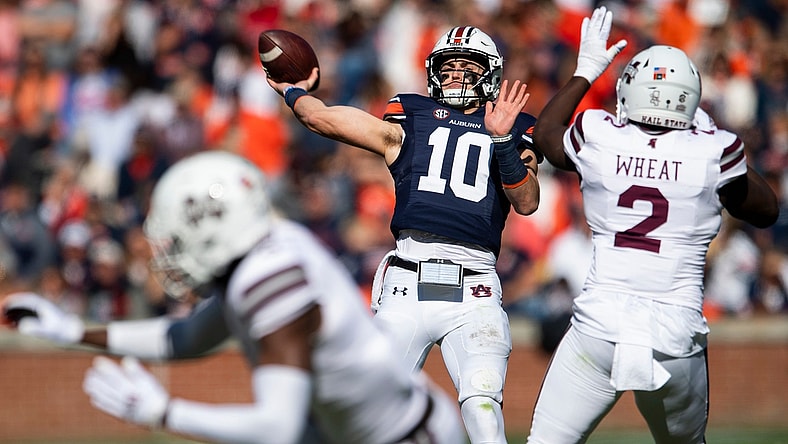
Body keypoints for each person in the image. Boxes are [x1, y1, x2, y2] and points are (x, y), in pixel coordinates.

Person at [2, 150, 466, 444]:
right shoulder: (264, 254)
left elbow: (275, 428)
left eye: (179, 239)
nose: (171, 254)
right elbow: (184, 339)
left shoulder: (272, 283)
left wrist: (162, 412)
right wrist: (70, 330)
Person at [266, 26, 542, 443]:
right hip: (407, 283)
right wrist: (294, 90)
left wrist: (502, 140)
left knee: (483, 411)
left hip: (475, 289)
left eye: (467, 67)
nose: (455, 75)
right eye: (448, 68)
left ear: (490, 75)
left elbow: (527, 201)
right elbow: (321, 118)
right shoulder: (409, 118)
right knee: (365, 406)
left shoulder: (515, 126)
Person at [527, 6, 779, 444]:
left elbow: (546, 134)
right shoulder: (714, 150)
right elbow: (766, 210)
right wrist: (712, 133)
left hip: (599, 326)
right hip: (674, 334)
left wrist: (585, 70)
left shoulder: (600, 132)